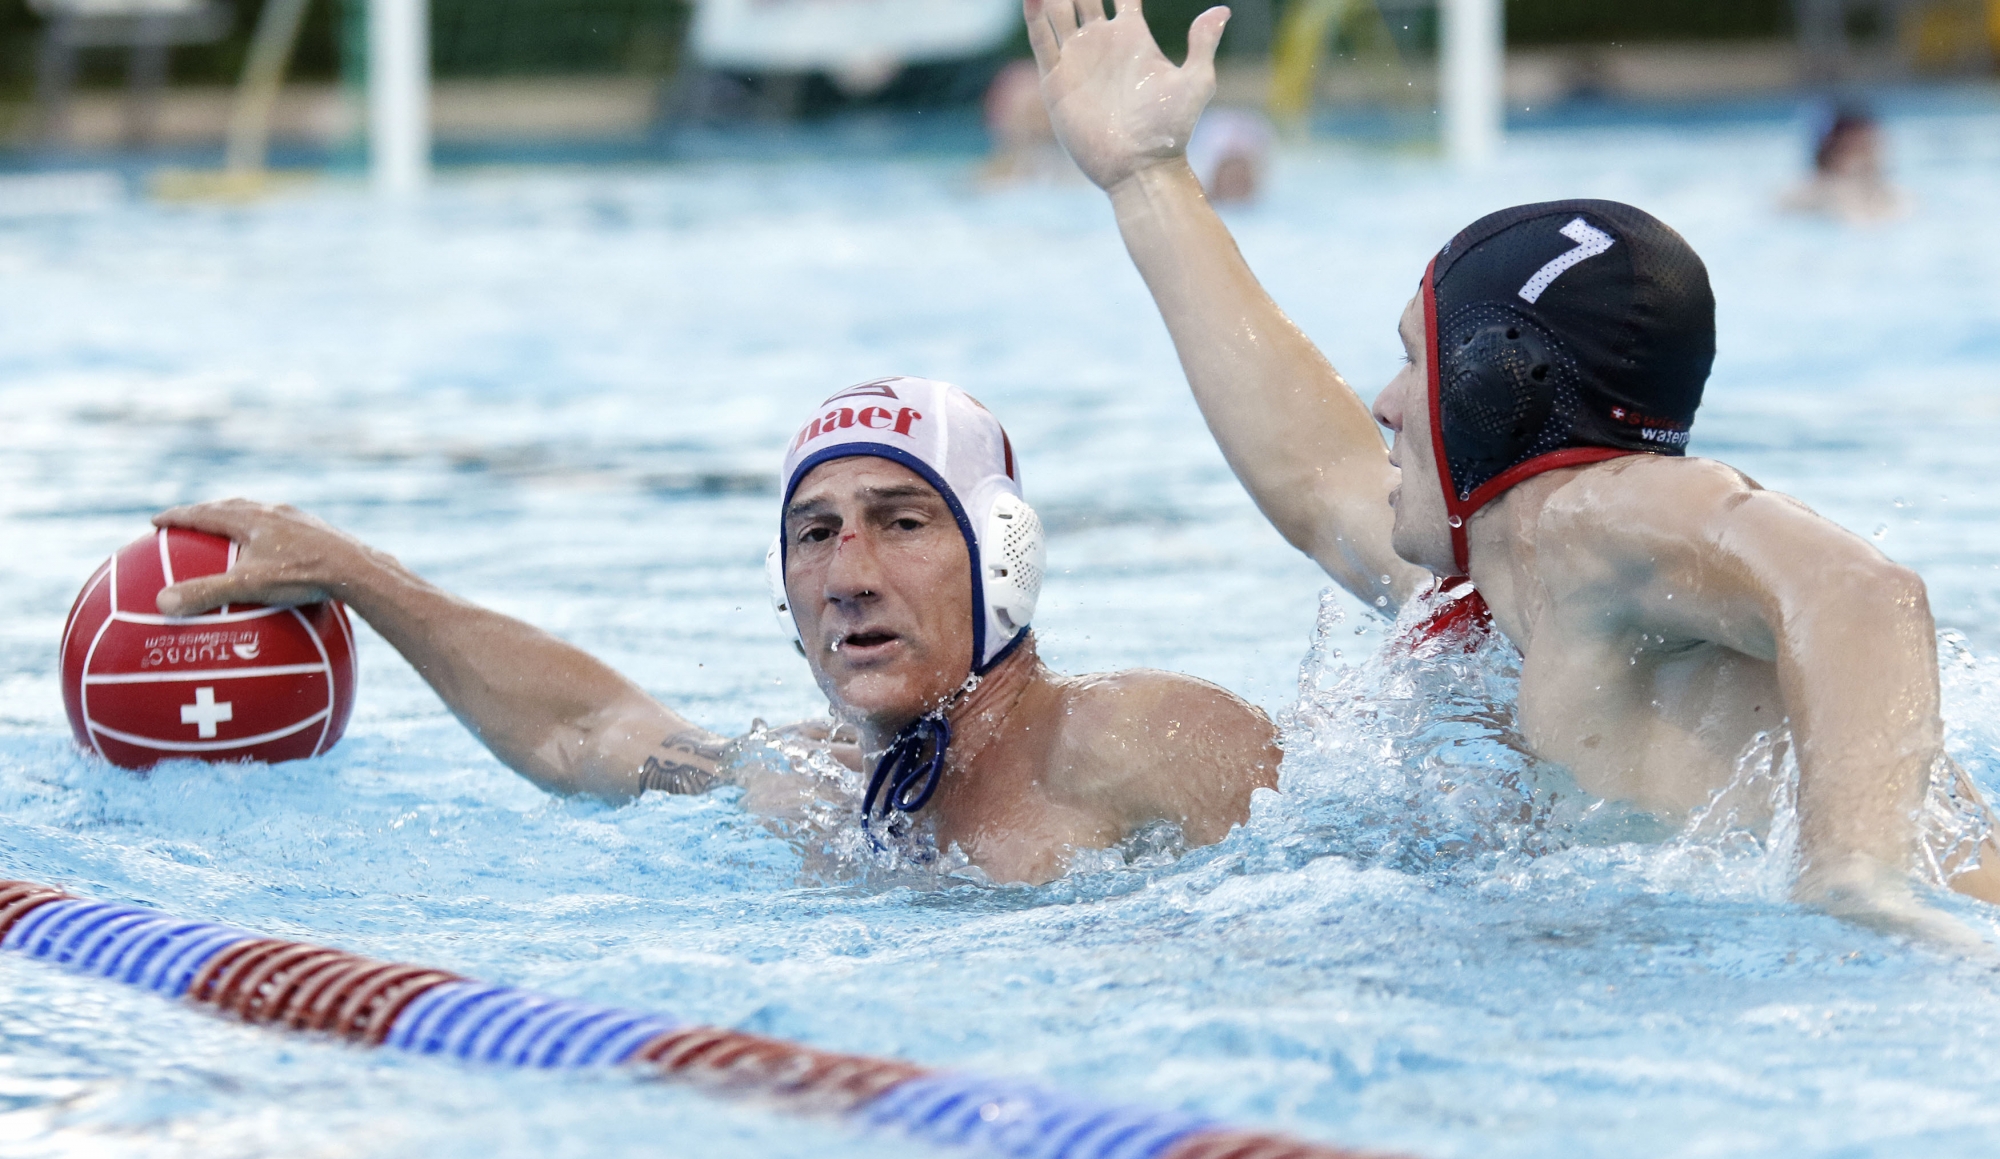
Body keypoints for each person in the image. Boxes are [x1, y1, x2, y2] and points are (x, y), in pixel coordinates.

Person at [1022, 0, 2000, 926]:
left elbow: (1857, 592)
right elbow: (1316, 480)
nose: (1383, 402)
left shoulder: (1595, 519)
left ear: (1499, 386)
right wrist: (1147, 180)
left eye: (1416, 358)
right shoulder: (1498, 585)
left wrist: (1853, 883)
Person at [151, 377, 1279, 886]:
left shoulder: (1143, 738)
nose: (848, 575)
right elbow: (583, 730)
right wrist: (359, 576)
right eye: (814, 534)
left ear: (1003, 559)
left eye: (900, 523)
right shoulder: (799, 780)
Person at [1779, 103, 1907, 224]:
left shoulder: (1894, 195)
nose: (1866, 157)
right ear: (1833, 152)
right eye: (1857, 148)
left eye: (1869, 147)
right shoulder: (1810, 195)